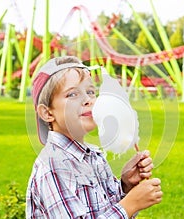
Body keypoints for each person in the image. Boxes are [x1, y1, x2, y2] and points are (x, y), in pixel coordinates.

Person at [26, 56, 163, 218]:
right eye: (72, 94)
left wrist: (126, 186)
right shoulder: (53, 166)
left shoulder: (94, 156)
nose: (87, 100)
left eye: (90, 92)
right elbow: (122, 210)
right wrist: (130, 205)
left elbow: (106, 209)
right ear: (47, 113)